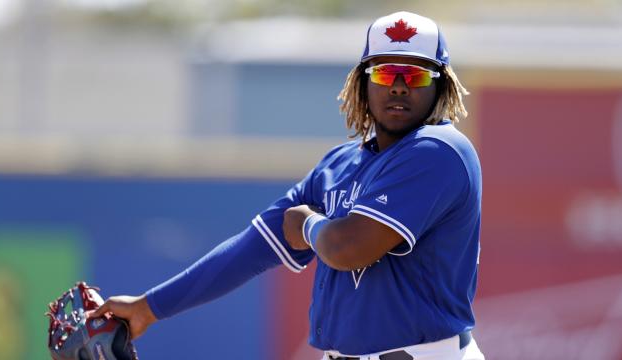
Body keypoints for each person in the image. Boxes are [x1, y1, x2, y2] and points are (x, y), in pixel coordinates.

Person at [89, 11, 485, 360]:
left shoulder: (439, 151)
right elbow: (253, 247)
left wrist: (309, 226)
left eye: (415, 74)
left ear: (441, 86)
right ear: (362, 83)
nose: (399, 86)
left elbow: (349, 248)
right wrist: (149, 307)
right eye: (384, 72)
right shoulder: (340, 163)